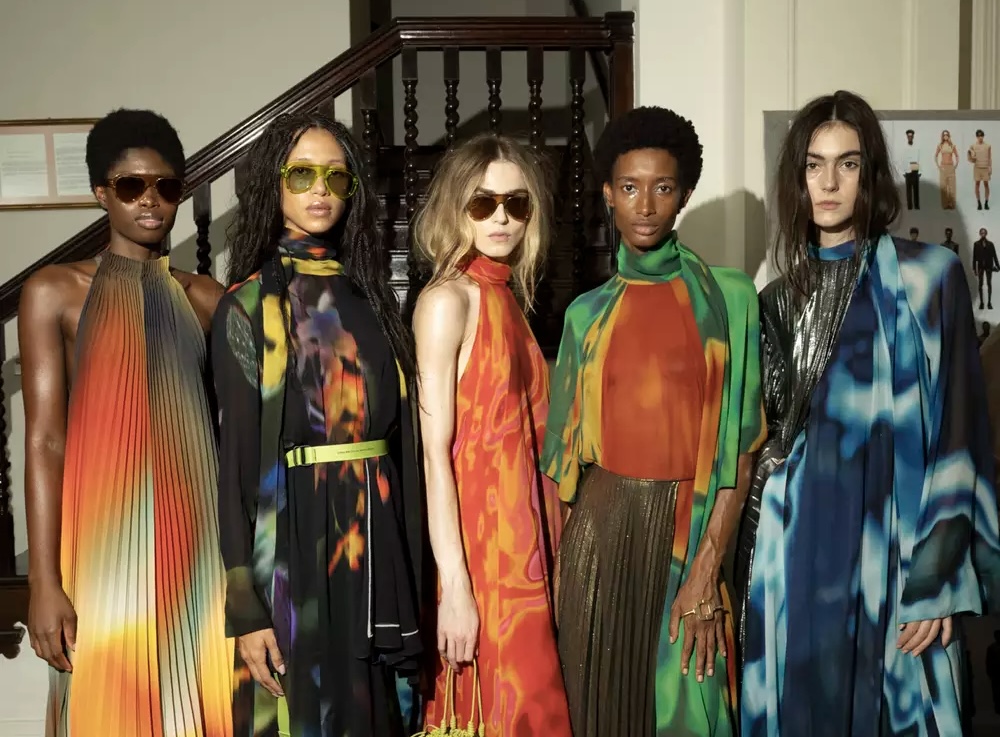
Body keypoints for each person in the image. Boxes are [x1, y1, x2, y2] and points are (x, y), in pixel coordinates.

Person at [737, 89, 1000, 737]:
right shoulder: (776, 300)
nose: (829, 182)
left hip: (899, 549)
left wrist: (938, 577)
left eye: (847, 164)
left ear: (871, 174)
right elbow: (763, 442)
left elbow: (961, 435)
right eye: (814, 165)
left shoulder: (931, 278)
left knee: (905, 709)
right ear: (797, 178)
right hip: (800, 549)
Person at [542, 106, 765, 737]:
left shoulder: (730, 299)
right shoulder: (586, 315)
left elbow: (741, 448)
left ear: (684, 195)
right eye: (630, 187)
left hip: (686, 535)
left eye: (662, 187)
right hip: (599, 533)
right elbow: (565, 470)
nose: (645, 205)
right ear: (608, 194)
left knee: (691, 709)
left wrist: (707, 565)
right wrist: (560, 577)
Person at [20, 109, 232, 735]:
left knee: (194, 709)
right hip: (99, 549)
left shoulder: (206, 299)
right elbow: (44, 440)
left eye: (166, 187)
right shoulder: (54, 291)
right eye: (131, 186)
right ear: (101, 194)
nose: (150, 200)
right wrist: (43, 580)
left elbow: (237, 431)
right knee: (104, 708)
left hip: (196, 548)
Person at [212, 111, 423, 736]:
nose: (320, 190)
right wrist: (247, 608)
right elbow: (235, 470)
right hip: (296, 543)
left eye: (336, 176)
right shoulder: (249, 305)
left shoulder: (373, 298)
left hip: (376, 535)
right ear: (273, 185)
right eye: (301, 174)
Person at [412, 133, 571, 736]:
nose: (501, 218)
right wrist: (455, 587)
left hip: (528, 546)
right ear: (457, 207)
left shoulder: (504, 296)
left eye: (516, 204)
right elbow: (435, 456)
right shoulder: (446, 302)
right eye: (483, 203)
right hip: (485, 559)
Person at [974, 227, 999, 310]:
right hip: (980, 266)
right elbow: (974, 257)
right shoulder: (976, 244)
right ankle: (981, 302)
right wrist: (974, 268)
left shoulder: (990, 244)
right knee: (980, 284)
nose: (983, 234)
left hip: (989, 266)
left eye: (984, 233)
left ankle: (989, 302)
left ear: (986, 234)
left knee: (989, 284)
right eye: (981, 233)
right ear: (980, 234)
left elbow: (994, 255)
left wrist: (998, 266)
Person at [968, 128, 992, 210]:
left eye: (981, 136)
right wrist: (971, 155)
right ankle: (979, 202)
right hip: (977, 168)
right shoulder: (973, 146)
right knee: (977, 184)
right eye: (978, 136)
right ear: (976, 137)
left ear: (983, 136)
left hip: (985, 167)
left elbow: (989, 157)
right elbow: (970, 158)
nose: (980, 137)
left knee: (986, 184)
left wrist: (990, 167)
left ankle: (986, 202)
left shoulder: (988, 146)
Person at [936, 129, 959, 209]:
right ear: (942, 136)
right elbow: (935, 156)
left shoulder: (952, 145)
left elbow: (957, 155)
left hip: (950, 167)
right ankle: (945, 204)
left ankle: (952, 204)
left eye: (947, 135)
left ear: (949, 136)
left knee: (952, 187)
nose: (945, 136)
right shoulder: (940, 145)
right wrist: (938, 166)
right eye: (944, 135)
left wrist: (955, 165)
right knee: (943, 186)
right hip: (943, 167)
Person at [901, 128, 921, 210]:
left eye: (911, 136)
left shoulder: (916, 147)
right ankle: (909, 206)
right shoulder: (904, 147)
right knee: (908, 190)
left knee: (916, 189)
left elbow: (919, 158)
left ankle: (916, 206)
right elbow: (903, 159)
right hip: (907, 169)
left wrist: (920, 170)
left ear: (913, 137)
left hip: (915, 169)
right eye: (908, 136)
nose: (910, 138)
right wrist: (903, 171)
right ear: (907, 137)